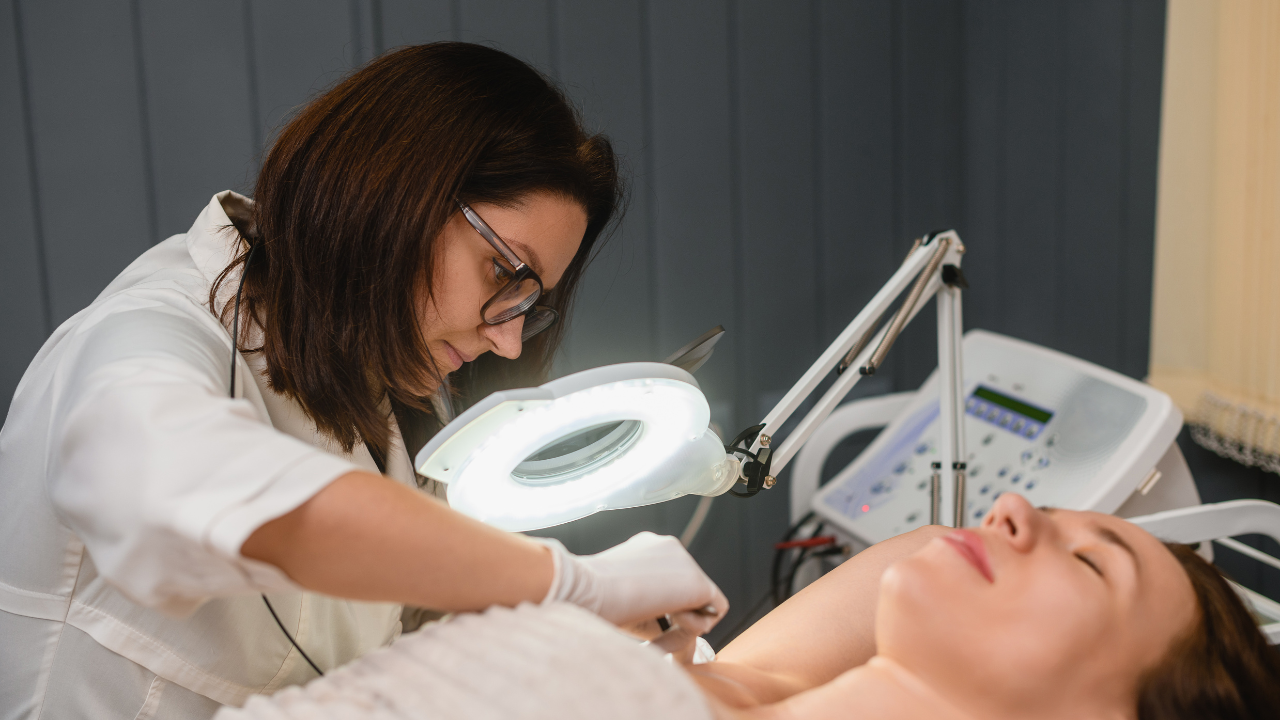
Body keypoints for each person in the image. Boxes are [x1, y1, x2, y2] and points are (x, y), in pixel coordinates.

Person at [0, 43, 726, 720]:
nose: (508, 339)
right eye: (507, 274)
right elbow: (201, 484)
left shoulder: (381, 403)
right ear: (392, 190)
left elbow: (408, 643)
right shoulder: (146, 339)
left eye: (531, 305)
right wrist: (568, 581)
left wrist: (578, 639)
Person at [216, 493, 1280, 719]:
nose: (1010, 509)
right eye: (1045, 506)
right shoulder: (751, 683)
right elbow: (920, 548)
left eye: (1093, 566)